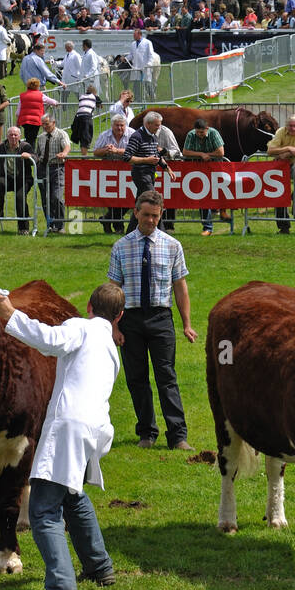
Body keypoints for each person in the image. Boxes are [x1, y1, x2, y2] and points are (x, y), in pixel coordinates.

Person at [0, 283, 124, 590]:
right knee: (72, 496)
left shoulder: (81, 327)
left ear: (89, 308)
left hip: (69, 425)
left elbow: (49, 341)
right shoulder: (110, 348)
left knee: (44, 511)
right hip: (95, 430)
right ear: (119, 316)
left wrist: (9, 315)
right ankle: (99, 567)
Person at [109, 189, 197, 451]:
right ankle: (146, 433)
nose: (150, 221)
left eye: (155, 216)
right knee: (136, 378)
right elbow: (114, 289)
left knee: (166, 377)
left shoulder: (173, 246)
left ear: (161, 215)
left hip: (161, 318)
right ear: (135, 212)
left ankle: (178, 436)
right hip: (131, 319)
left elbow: (180, 287)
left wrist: (187, 324)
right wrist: (113, 326)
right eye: (145, 215)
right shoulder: (121, 247)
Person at [124, 110, 180, 234]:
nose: (159, 127)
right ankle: (162, 233)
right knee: (154, 201)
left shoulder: (153, 137)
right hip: (141, 174)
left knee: (140, 204)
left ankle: (129, 234)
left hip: (150, 174)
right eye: (157, 125)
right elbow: (127, 157)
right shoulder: (137, 136)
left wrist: (167, 169)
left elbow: (156, 156)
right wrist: (146, 160)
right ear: (148, 124)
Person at [265, 114, 295, 233]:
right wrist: (289, 148)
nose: (293, 128)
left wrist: (288, 153)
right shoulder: (280, 131)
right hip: (280, 165)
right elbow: (270, 150)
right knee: (279, 194)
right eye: (290, 126)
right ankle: (283, 227)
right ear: (286, 126)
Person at [183, 118, 229, 235]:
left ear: (207, 129)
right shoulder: (191, 135)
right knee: (203, 196)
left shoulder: (214, 133)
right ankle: (207, 227)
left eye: (202, 132)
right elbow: (185, 152)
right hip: (199, 170)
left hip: (216, 168)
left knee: (222, 191)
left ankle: (223, 211)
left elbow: (221, 152)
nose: (199, 134)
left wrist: (207, 155)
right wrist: (201, 154)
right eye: (197, 132)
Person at [0, 125, 36, 235]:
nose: (13, 137)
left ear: (20, 136)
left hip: (23, 179)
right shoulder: (0, 147)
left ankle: (23, 227)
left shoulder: (25, 146)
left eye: (15, 135)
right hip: (7, 177)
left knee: (20, 197)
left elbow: (36, 159)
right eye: (11, 135)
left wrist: (30, 156)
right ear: (7, 136)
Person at [34, 112, 70, 233]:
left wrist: (64, 153)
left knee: (56, 196)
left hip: (57, 168)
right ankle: (50, 224)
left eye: (47, 124)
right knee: (45, 198)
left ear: (53, 123)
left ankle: (60, 225)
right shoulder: (41, 137)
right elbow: (38, 153)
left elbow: (67, 146)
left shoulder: (61, 134)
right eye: (42, 124)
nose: (44, 126)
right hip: (43, 169)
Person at [17, 78, 56, 146]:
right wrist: (56, 103)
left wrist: (17, 119)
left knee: (28, 137)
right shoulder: (40, 95)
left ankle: (28, 152)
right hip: (36, 120)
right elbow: (52, 101)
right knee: (33, 138)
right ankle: (31, 153)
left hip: (25, 120)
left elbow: (18, 111)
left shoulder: (22, 96)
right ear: (37, 86)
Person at [127, 28, 155, 101]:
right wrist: (125, 58)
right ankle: (138, 100)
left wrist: (149, 64)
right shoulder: (133, 44)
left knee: (147, 84)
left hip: (145, 67)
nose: (133, 37)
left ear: (139, 35)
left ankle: (152, 99)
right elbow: (131, 55)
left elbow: (151, 55)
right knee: (136, 85)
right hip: (136, 68)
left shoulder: (147, 43)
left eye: (135, 35)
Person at [71, 85, 99, 154]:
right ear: (94, 92)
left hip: (77, 117)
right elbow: (100, 105)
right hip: (86, 117)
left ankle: (83, 156)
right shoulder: (95, 97)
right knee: (85, 138)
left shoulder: (82, 96)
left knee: (81, 136)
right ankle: (84, 158)